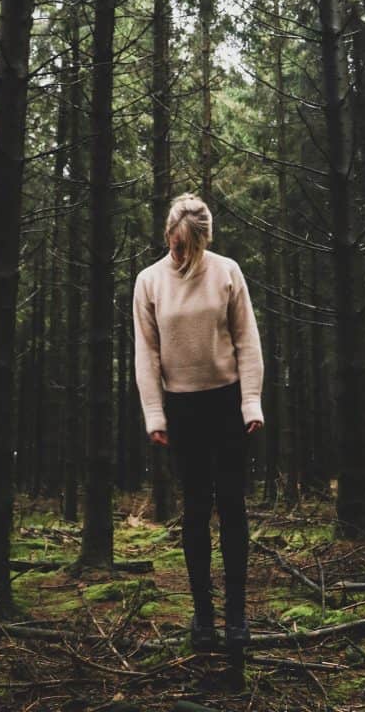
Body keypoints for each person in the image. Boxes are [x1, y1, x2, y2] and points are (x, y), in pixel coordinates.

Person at [132, 193, 264, 650]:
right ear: (167, 235)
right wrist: (155, 412)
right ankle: (203, 615)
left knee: (231, 506)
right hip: (182, 408)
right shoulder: (149, 281)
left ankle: (236, 615)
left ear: (203, 241)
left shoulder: (227, 272)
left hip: (226, 404)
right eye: (173, 242)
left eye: (188, 245)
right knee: (194, 510)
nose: (179, 252)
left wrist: (251, 402)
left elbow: (247, 340)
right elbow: (146, 353)